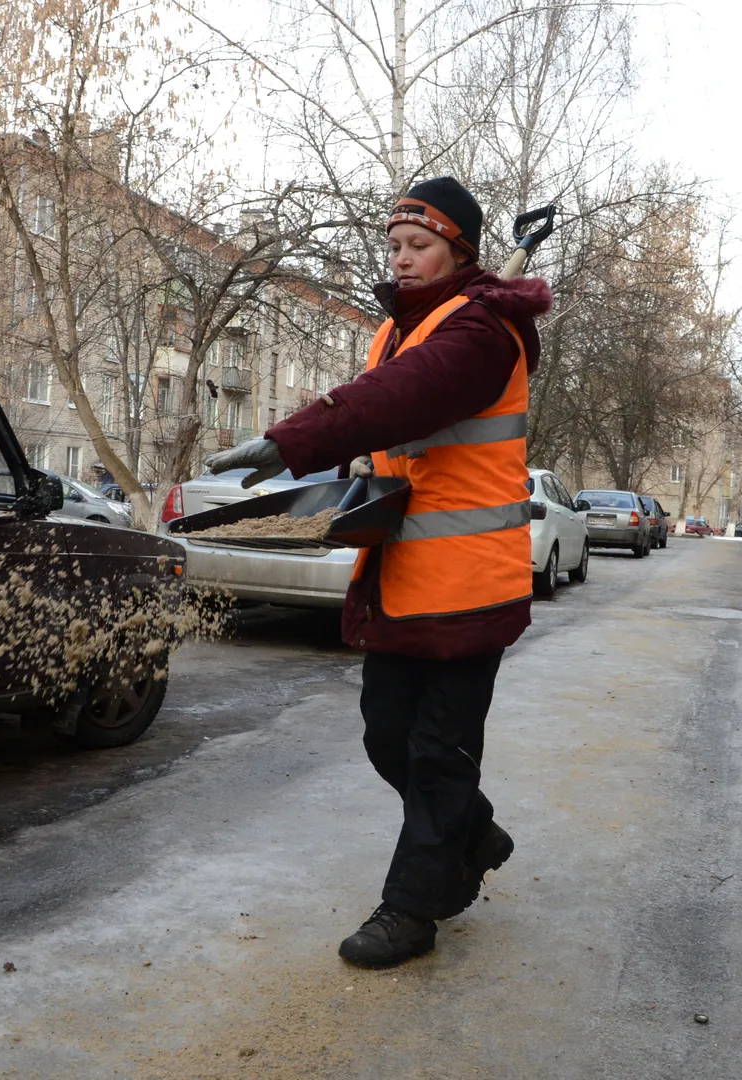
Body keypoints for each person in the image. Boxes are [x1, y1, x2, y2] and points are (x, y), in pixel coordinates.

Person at [206, 177, 552, 968]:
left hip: (469, 583)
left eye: (419, 245)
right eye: (394, 246)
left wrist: (294, 438)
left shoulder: (484, 331)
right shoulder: (406, 328)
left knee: (438, 756)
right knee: (386, 736)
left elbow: (402, 397)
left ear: (459, 250)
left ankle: (415, 907)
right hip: (401, 576)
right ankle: (474, 830)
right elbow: (386, 406)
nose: (401, 259)